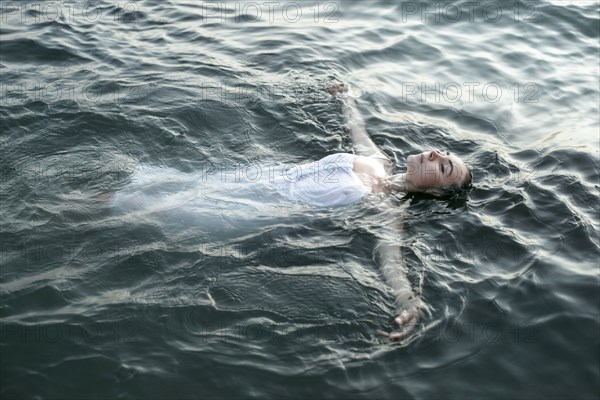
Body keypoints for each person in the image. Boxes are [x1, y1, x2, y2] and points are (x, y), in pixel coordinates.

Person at [105, 83, 472, 341]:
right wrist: (347, 98)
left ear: (438, 191)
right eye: (441, 152)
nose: (436, 155)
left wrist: (409, 302)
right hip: (253, 179)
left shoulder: (387, 208)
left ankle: (79, 220)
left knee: (132, 204)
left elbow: (391, 260)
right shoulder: (378, 160)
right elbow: (355, 129)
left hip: (253, 208)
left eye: (444, 167)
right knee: (150, 183)